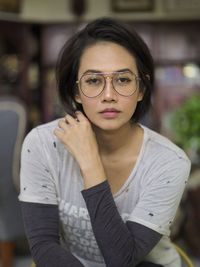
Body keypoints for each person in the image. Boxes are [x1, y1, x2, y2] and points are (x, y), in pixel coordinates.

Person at [19, 18, 191, 267]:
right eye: (93, 81)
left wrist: (90, 162)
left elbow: (123, 261)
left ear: (140, 89)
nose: (109, 96)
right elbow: (44, 245)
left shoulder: (169, 162)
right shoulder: (43, 144)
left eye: (122, 80)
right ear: (76, 92)